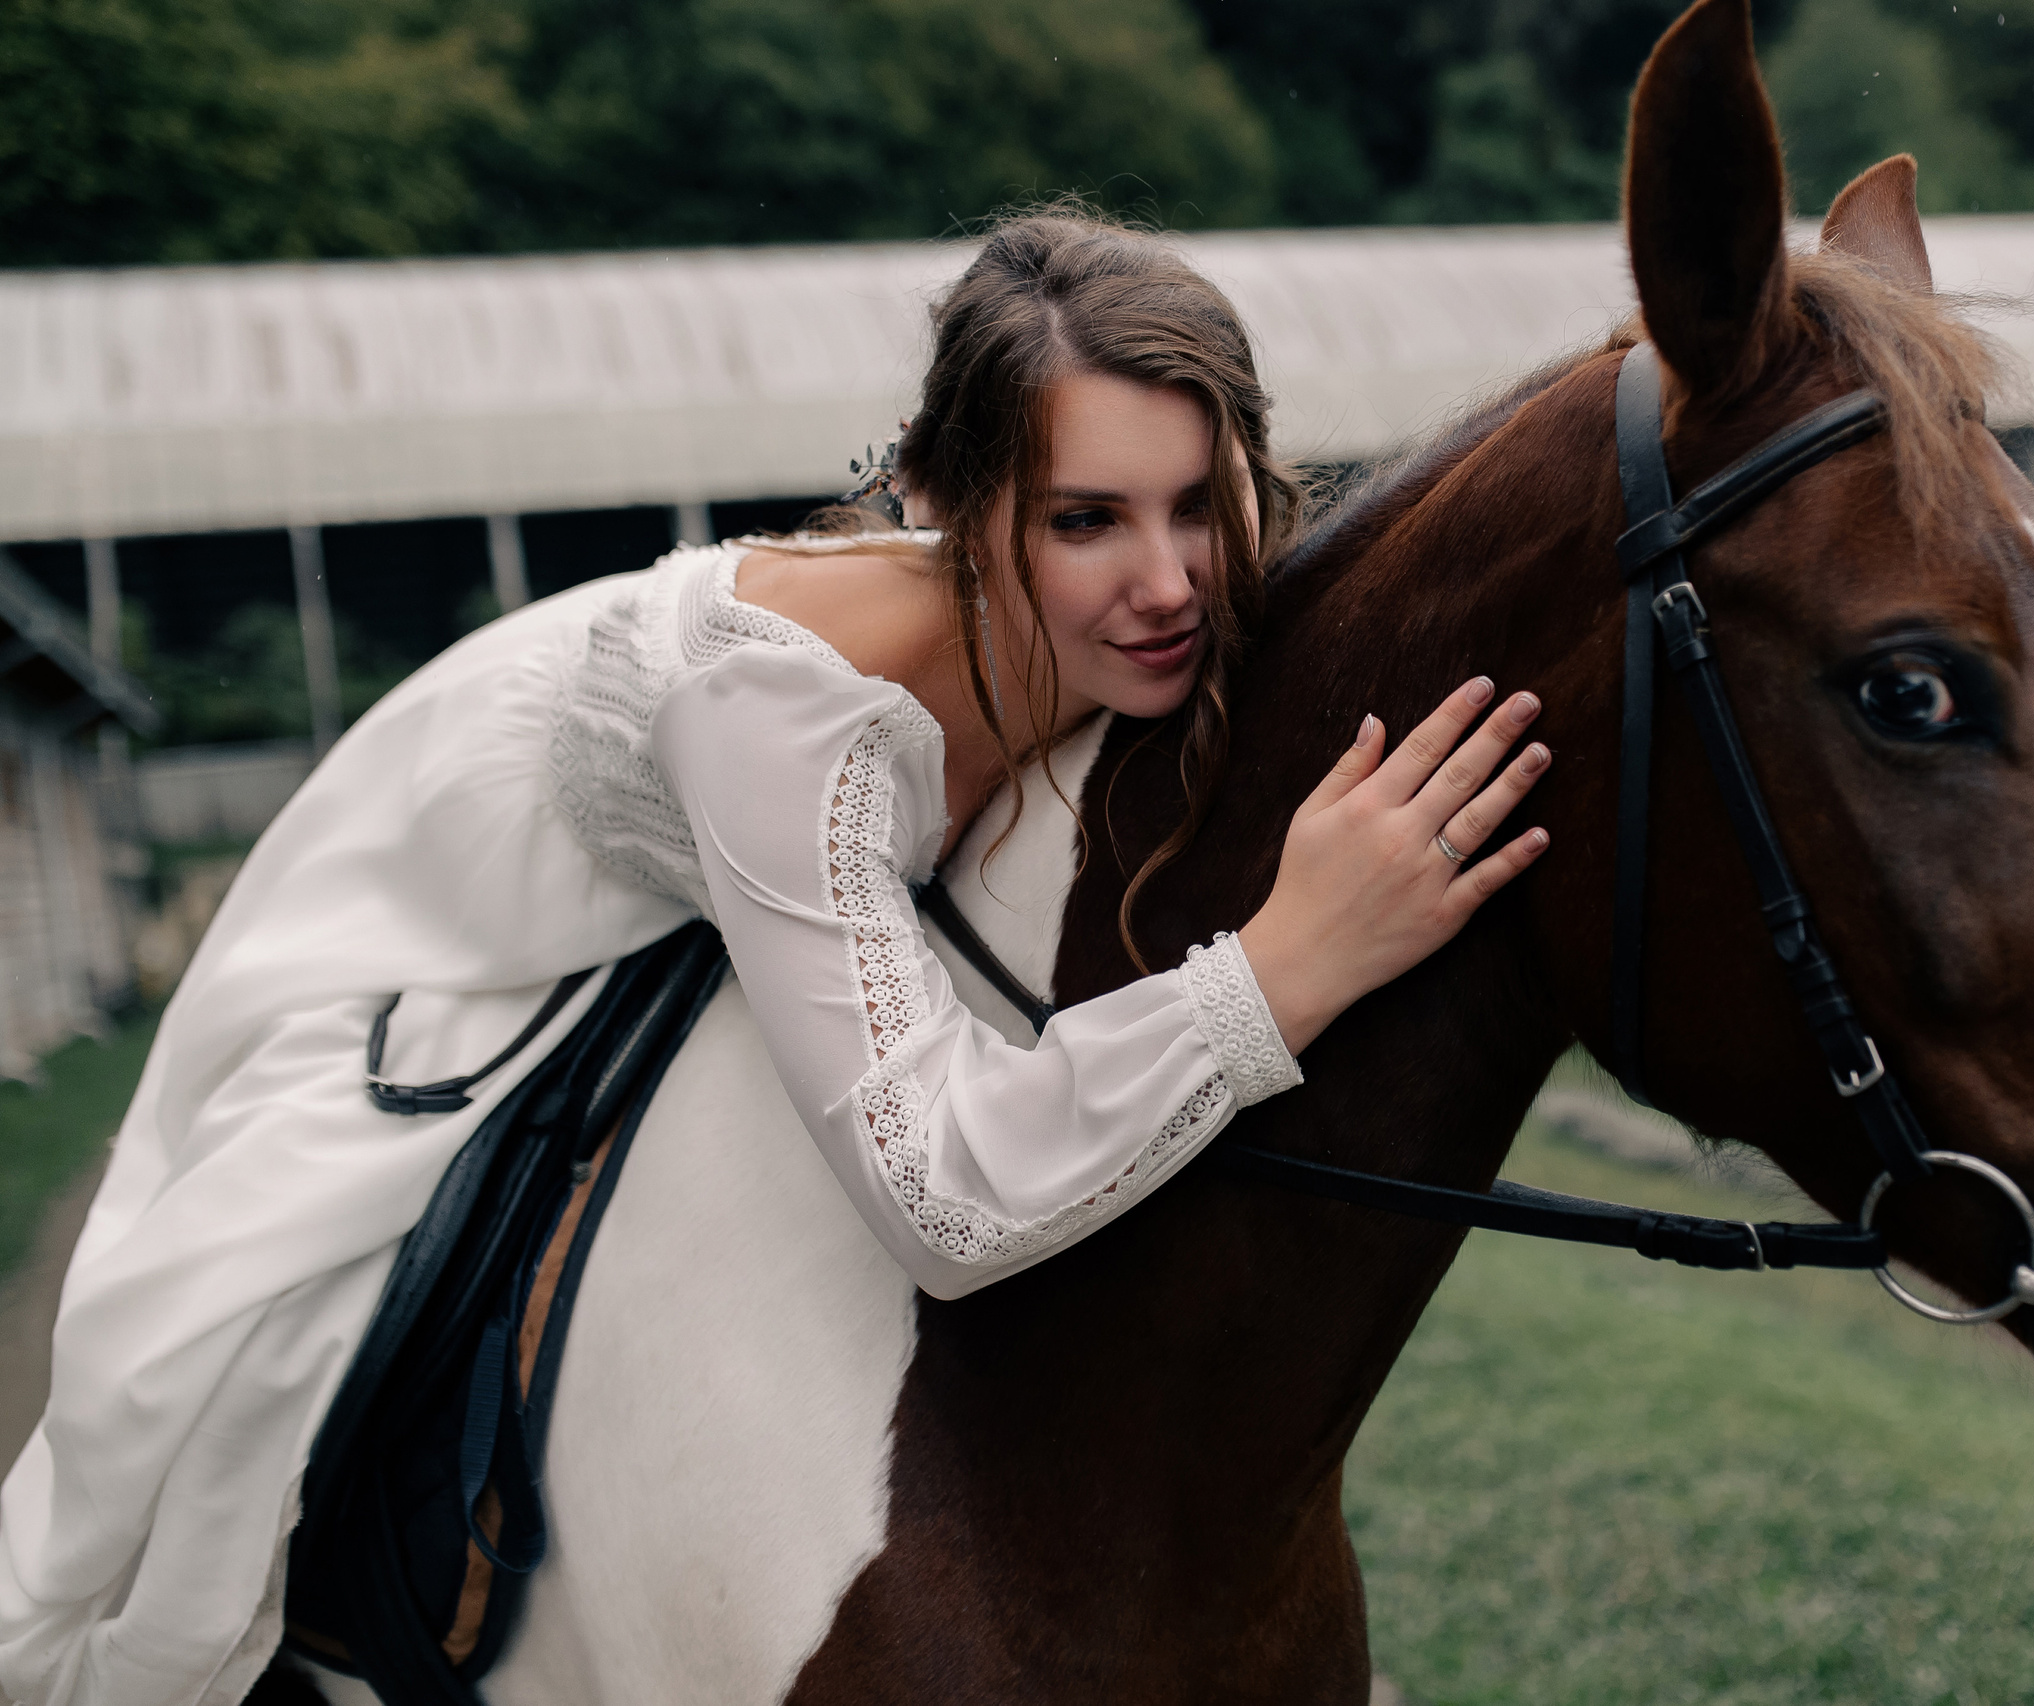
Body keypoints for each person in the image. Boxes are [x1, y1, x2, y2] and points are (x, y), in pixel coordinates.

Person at [0, 213, 1551, 1705]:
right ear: (968, 506)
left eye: (1197, 502)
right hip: (480, 851)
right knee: (233, 1339)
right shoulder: (782, 731)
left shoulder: (1142, 615)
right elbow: (941, 1196)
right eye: (1087, 517)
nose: (1170, 584)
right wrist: (1277, 967)